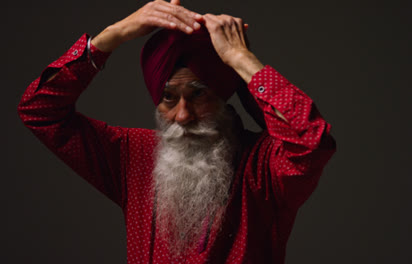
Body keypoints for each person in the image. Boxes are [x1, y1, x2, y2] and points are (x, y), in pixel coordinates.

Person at [17, 0, 336, 263]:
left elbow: (311, 141)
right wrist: (113, 36)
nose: (182, 116)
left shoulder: (265, 166)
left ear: (223, 95)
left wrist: (241, 59)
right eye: (168, 97)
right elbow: (38, 111)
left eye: (199, 94)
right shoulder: (134, 155)